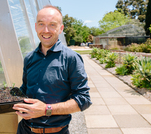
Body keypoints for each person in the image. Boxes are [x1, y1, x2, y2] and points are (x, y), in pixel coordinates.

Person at [13, 5, 92, 134]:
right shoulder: (29, 58)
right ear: (35, 27)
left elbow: (84, 99)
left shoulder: (71, 58)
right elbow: (25, 90)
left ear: (60, 29)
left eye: (52, 25)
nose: (46, 30)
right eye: (41, 24)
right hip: (24, 130)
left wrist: (46, 109)